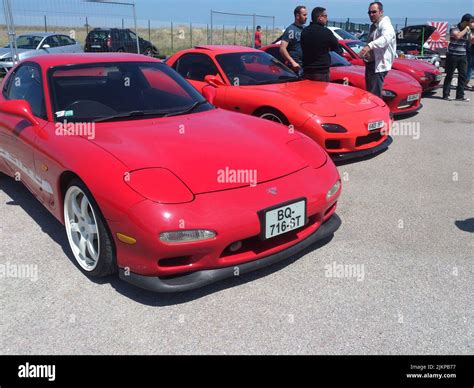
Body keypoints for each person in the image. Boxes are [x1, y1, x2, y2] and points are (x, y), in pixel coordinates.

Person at [357, 2, 396, 99]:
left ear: (381, 12)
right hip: (371, 64)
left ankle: (378, 113)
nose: (371, 15)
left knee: (375, 96)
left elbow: (386, 38)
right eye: (369, 13)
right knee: (371, 94)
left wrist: (369, 46)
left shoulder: (385, 24)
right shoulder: (374, 26)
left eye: (374, 12)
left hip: (378, 66)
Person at [300, 7, 338, 82]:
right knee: (320, 93)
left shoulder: (304, 31)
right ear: (320, 17)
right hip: (321, 71)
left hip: (307, 70)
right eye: (325, 16)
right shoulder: (326, 32)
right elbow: (335, 47)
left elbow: (302, 46)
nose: (327, 19)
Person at [442, 13, 473, 101]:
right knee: (449, 75)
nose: (471, 24)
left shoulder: (468, 30)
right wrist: (466, 29)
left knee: (462, 76)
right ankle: (446, 95)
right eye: (471, 22)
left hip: (463, 56)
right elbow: (457, 36)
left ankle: (460, 96)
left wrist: (470, 32)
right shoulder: (454, 27)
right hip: (452, 55)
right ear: (465, 21)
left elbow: (471, 40)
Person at [280, 6, 308, 74]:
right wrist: (293, 62)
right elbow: (282, 49)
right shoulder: (290, 30)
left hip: (305, 66)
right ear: (297, 16)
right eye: (304, 15)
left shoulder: (306, 29)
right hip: (295, 67)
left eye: (306, 15)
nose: (306, 17)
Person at [465, 18, 474, 90]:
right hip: (471, 51)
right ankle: (465, 82)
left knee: (470, 67)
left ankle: (465, 82)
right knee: (470, 68)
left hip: (471, 50)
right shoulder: (469, 30)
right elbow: (471, 40)